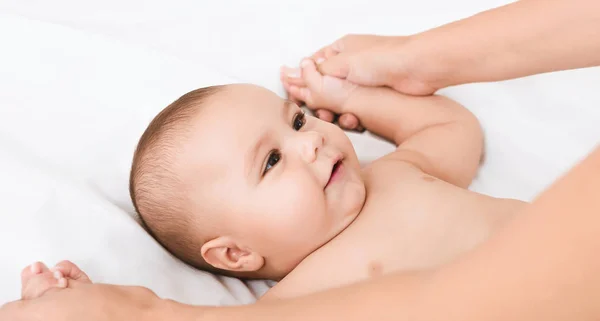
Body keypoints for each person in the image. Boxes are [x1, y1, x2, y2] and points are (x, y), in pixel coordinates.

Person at [2, 0, 600, 319]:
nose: (311, 140)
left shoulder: (395, 175)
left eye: (295, 121)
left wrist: (355, 97)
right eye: (270, 163)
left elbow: (452, 128)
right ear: (235, 253)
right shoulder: (303, 298)